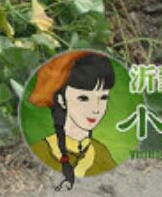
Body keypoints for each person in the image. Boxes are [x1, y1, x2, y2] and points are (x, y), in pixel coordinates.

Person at [27, 50, 119, 189]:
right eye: (83, 98)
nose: (95, 109)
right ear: (61, 100)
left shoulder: (102, 152)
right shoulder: (42, 150)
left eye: (103, 97)